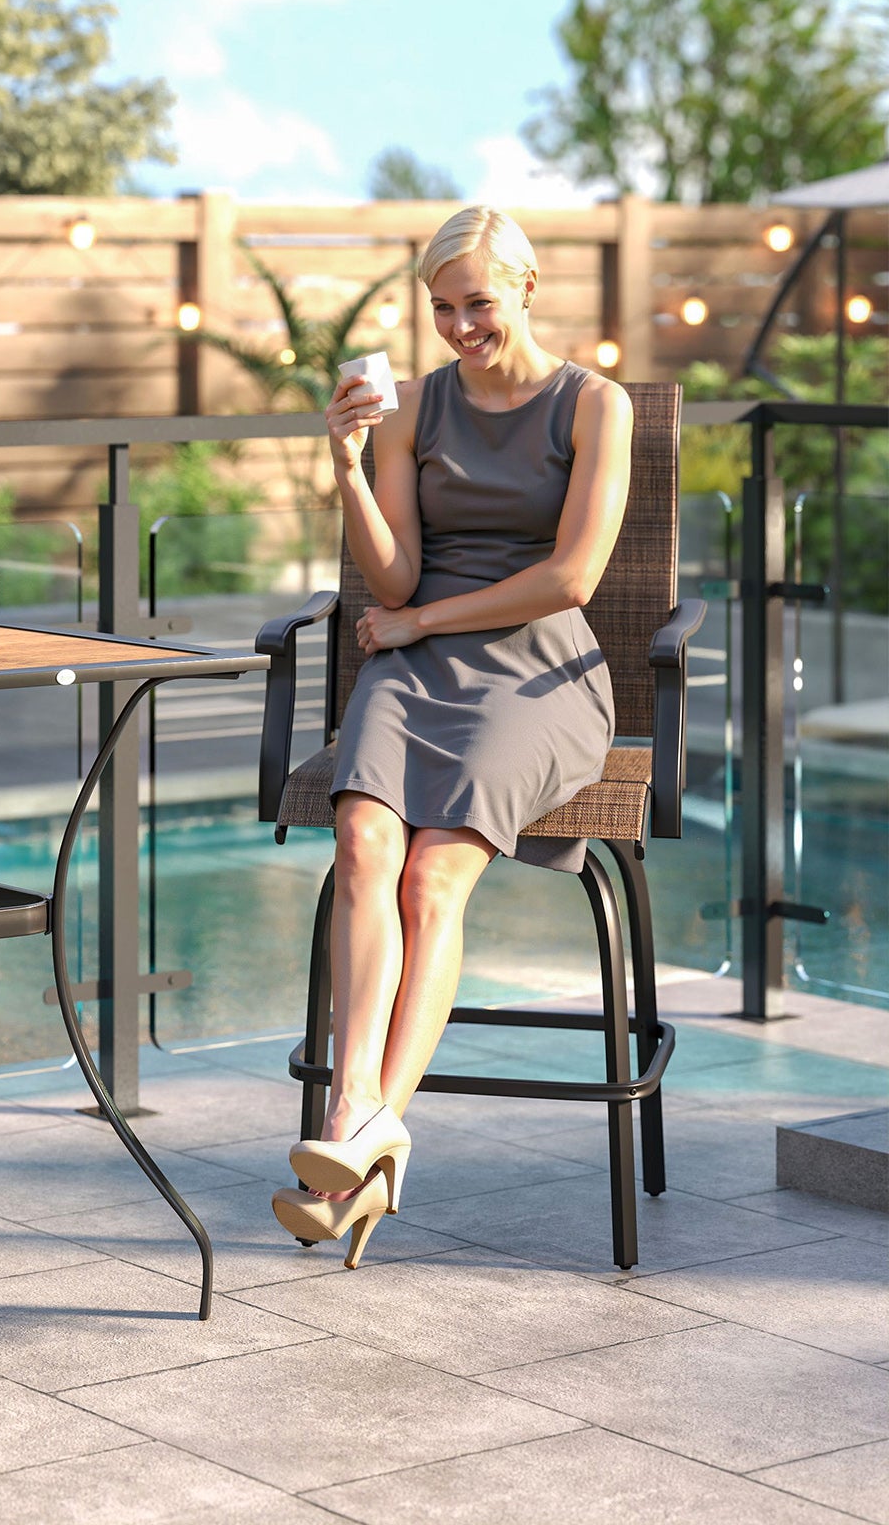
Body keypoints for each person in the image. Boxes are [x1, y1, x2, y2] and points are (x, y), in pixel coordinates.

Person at [273, 207, 632, 1267]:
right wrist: (342, 464)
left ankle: (359, 1130)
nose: (458, 325)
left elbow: (572, 578)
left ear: (526, 286)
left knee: (433, 876)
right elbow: (387, 573)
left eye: (476, 301)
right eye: (440, 307)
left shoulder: (592, 404)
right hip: (410, 666)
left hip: (538, 672)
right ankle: (355, 1121)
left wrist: (422, 620)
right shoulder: (411, 408)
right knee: (362, 845)